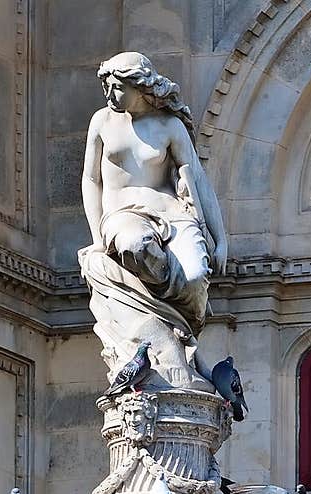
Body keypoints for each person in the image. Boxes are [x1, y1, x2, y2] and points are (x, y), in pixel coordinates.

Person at [80, 51, 228, 385]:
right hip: (124, 216)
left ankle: (179, 330)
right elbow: (91, 180)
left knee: (194, 277)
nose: (110, 95)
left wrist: (221, 239)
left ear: (140, 86)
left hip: (173, 215)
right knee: (136, 245)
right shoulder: (102, 122)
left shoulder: (170, 126)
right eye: (107, 87)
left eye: (118, 87)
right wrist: (98, 238)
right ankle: (163, 326)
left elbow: (198, 181)